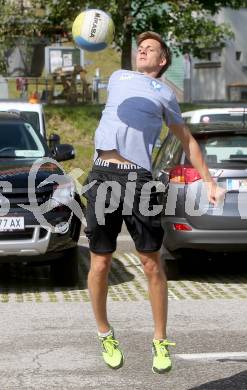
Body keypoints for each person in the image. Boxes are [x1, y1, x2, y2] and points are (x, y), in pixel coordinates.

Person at [84, 31, 225, 374]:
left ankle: (160, 339)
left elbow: (188, 141)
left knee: (150, 263)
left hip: (139, 180)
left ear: (162, 61)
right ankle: (104, 332)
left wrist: (209, 181)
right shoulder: (119, 76)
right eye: (140, 47)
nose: (142, 50)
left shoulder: (165, 94)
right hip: (103, 174)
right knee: (100, 262)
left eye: (150, 49)